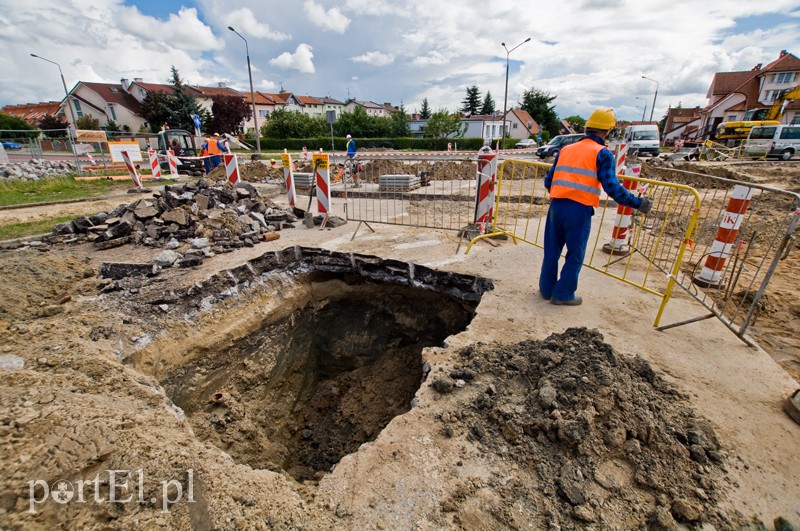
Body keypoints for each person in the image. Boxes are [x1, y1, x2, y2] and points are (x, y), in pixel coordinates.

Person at [539, 107, 652, 306]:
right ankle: (563, 294)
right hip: (579, 209)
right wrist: (638, 202)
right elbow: (612, 187)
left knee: (551, 250)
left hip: (556, 206)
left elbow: (549, 181)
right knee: (575, 253)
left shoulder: (566, 149)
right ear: (607, 131)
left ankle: (546, 289)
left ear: (587, 127)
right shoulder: (603, 154)